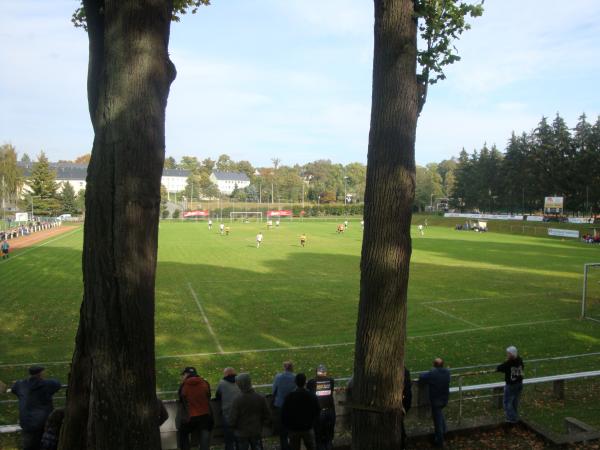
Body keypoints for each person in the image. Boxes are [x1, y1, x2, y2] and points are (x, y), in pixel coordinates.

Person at [11, 366, 61, 450]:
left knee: (29, 445)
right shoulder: (47, 384)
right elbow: (57, 384)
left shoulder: (20, 385)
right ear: (41, 373)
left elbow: (14, 389)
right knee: (47, 445)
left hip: (27, 423)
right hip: (44, 422)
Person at [229, 373, 270, 450]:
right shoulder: (260, 397)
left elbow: (232, 419)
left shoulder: (237, 400)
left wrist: (232, 427)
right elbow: (267, 414)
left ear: (240, 384)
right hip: (256, 431)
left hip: (241, 433)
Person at [177, 367, 213, 450]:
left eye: (183, 375)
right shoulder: (205, 383)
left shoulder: (184, 385)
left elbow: (181, 400)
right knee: (205, 433)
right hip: (205, 416)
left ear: (187, 375)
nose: (182, 377)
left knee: (182, 433)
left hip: (191, 417)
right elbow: (208, 396)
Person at [281, 373, 320, 450]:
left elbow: (284, 414)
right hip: (307, 428)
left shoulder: (289, 397)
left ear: (295, 382)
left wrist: (288, 426)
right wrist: (312, 423)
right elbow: (317, 411)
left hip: (294, 429)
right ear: (305, 382)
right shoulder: (311, 396)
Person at [419, 358, 450, 448]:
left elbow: (422, 377)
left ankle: (439, 442)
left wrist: (431, 371)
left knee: (437, 423)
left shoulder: (432, 374)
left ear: (434, 365)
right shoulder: (447, 372)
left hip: (436, 401)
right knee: (439, 414)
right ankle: (444, 430)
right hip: (444, 399)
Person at [307, 365, 336, 450]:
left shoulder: (312, 382)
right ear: (325, 372)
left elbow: (309, 390)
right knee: (329, 437)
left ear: (316, 373)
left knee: (319, 437)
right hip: (330, 412)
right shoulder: (331, 381)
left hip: (319, 414)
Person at [272, 361, 297, 450]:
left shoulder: (278, 377)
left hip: (280, 406)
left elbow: (273, 390)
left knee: (283, 431)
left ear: (284, 368)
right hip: (292, 407)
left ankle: (284, 447)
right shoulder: (295, 377)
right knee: (292, 429)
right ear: (292, 368)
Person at [497, 346, 524, 424]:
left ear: (511, 354)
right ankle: (514, 416)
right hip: (519, 383)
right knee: (514, 401)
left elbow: (499, 368)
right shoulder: (519, 360)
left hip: (511, 385)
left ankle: (512, 419)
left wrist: (507, 361)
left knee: (507, 402)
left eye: (508, 354)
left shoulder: (509, 363)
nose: (507, 355)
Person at [216, 367, 241, 450]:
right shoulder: (240, 381)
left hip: (227, 414)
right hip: (240, 414)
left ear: (225, 374)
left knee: (229, 439)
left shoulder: (222, 383)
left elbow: (218, 396)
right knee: (239, 438)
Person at [401, 367, 413, 450]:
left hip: (404, 402)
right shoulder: (406, 371)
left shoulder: (404, 371)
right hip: (406, 401)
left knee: (399, 423)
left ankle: (402, 443)